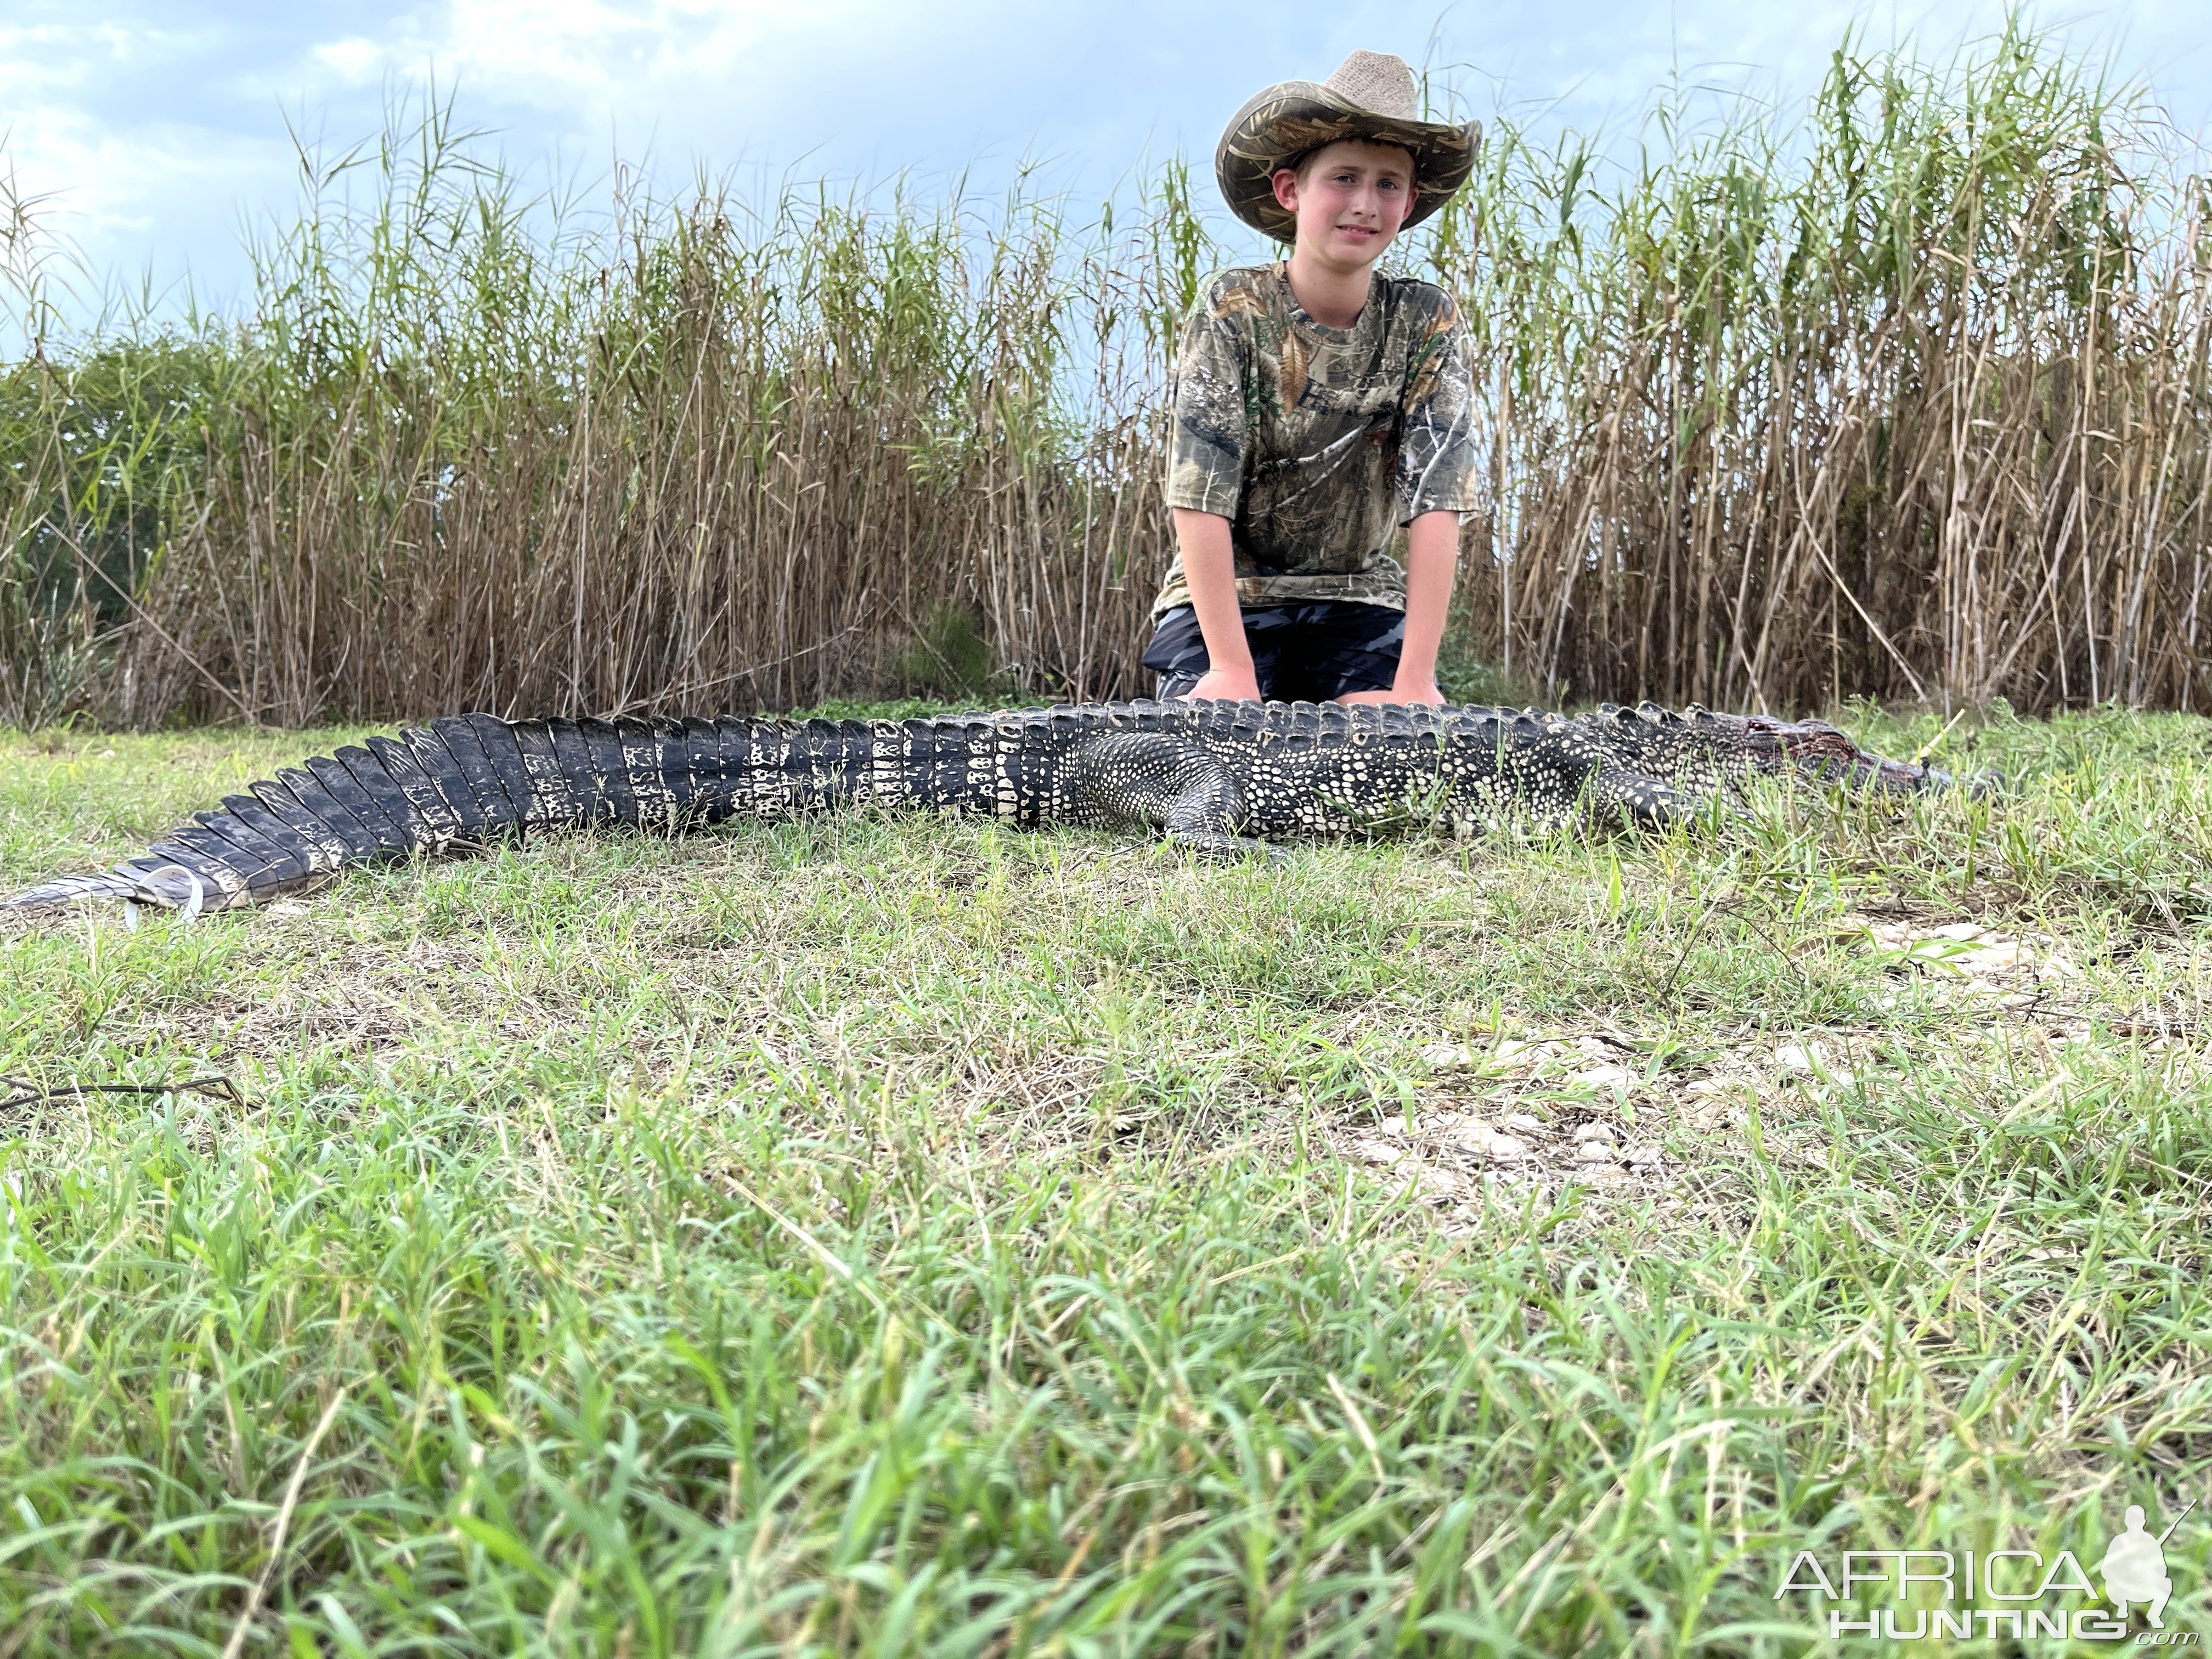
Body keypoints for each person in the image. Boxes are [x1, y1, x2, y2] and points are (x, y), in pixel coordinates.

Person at [1144, 49, 1483, 706]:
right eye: (1345, 177)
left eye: (1388, 184)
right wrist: (1230, 671)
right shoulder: (1233, 309)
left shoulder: (1425, 319)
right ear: (1290, 190)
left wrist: (1416, 683)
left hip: (1357, 598)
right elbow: (1198, 493)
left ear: (1410, 202)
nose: (1365, 203)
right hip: (1227, 605)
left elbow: (1438, 500)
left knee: (1399, 753)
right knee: (1216, 744)